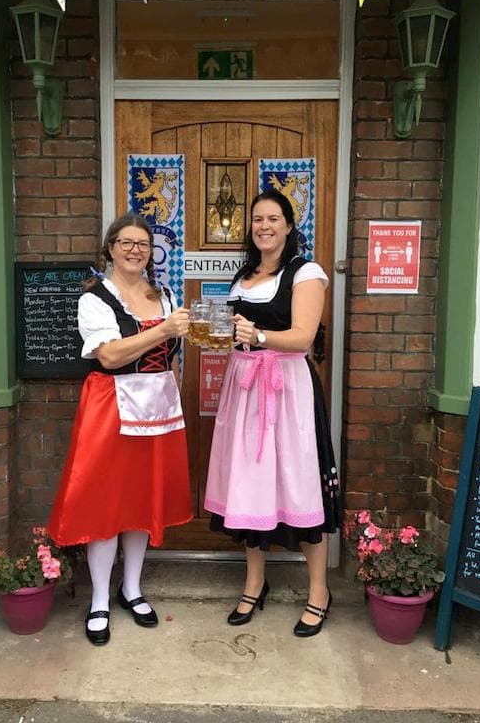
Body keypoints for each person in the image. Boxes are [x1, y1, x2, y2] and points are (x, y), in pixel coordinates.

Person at [48, 214, 192, 646]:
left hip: (158, 405)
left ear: (151, 253)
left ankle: (131, 588)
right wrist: (163, 329)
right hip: (111, 404)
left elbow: (173, 356)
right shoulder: (94, 298)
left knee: (140, 499)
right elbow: (108, 356)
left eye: (143, 244)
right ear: (110, 248)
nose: (135, 250)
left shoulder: (162, 294)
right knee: (106, 502)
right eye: (126, 243)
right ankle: (98, 600)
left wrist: (175, 384)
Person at [204, 189, 340, 637]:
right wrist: (214, 336)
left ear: (288, 225)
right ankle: (254, 583)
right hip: (245, 390)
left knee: (300, 487)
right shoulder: (243, 276)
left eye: (273, 218)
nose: (264, 226)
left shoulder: (306, 273)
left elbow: (301, 338)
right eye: (257, 219)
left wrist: (257, 335)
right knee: (250, 486)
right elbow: (233, 336)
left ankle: (318, 591)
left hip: (287, 392)